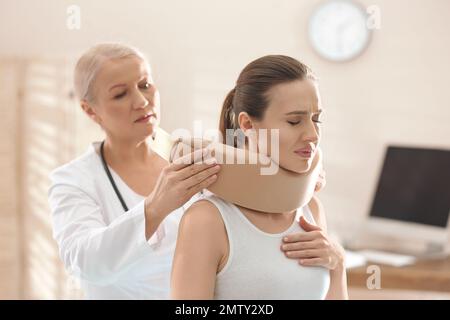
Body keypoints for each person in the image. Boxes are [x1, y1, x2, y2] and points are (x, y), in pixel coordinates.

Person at [48, 43, 220, 299]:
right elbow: (86, 263)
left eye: (145, 85)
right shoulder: (73, 180)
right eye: (120, 94)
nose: (141, 101)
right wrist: (154, 209)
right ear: (90, 110)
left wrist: (299, 240)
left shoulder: (195, 159)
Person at [171, 55, 348, 299]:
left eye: (317, 119)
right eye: (294, 121)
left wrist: (338, 264)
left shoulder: (311, 210)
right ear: (247, 124)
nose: (312, 134)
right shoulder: (207, 220)